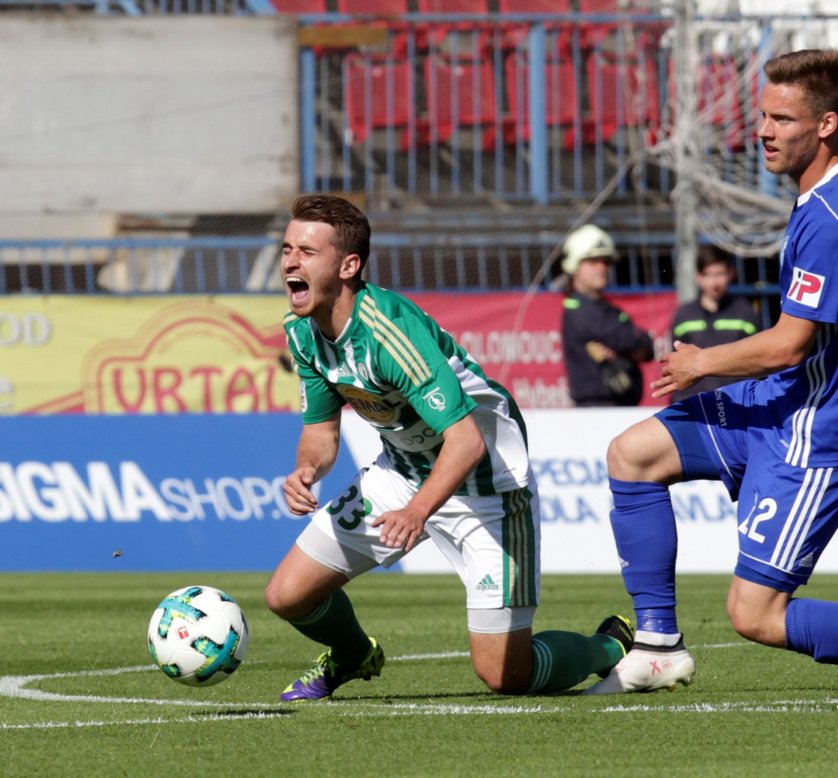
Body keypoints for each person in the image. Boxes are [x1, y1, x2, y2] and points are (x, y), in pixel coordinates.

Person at [586, 49, 838, 695]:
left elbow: (788, 343)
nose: (763, 131)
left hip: (819, 430)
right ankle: (658, 644)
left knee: (754, 616)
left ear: (826, 123)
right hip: (783, 399)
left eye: (782, 118)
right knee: (633, 453)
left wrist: (701, 362)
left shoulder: (824, 221)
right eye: (762, 115)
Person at [265, 194, 633, 701]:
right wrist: (305, 469)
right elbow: (322, 431)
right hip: (403, 473)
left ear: (349, 265)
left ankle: (609, 648)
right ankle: (352, 654)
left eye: (306, 251)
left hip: (489, 489)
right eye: (287, 248)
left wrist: (417, 512)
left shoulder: (389, 334)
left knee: (505, 675)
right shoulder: (303, 333)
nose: (289, 261)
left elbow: (467, 441)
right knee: (287, 595)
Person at [560, 224, 655, 407]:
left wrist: (632, 348)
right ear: (574, 266)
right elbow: (627, 340)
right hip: (597, 408)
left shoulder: (608, 310)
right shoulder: (578, 309)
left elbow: (647, 348)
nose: (601, 268)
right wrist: (632, 350)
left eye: (605, 261)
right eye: (592, 261)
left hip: (621, 406)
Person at [669, 245, 762, 402]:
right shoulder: (684, 315)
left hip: (736, 402)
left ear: (731, 273)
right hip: (692, 403)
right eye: (708, 275)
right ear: (698, 277)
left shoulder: (746, 313)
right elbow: (676, 364)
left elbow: (758, 360)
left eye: (719, 274)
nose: (714, 282)